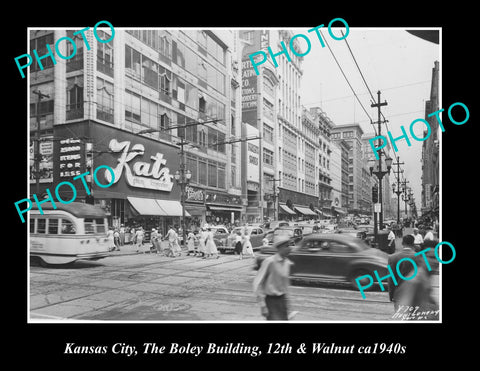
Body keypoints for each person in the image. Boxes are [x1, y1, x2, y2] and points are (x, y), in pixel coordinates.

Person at [253, 238, 294, 320]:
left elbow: (286, 286)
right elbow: (257, 283)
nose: (290, 248)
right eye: (287, 246)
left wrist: (288, 305)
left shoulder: (287, 263)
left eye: (290, 245)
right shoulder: (269, 262)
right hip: (271, 301)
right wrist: (262, 305)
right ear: (280, 248)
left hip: (282, 300)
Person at [387, 234, 417, 312]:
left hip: (399, 295)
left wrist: (391, 295)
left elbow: (391, 279)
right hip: (414, 296)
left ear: (402, 243)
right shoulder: (419, 257)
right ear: (413, 244)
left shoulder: (392, 257)